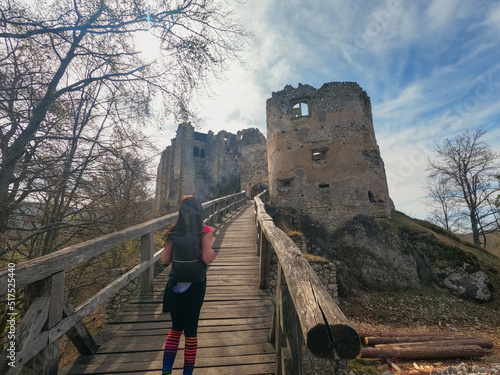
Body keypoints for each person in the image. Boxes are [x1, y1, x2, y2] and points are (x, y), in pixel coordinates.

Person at [161, 195, 216, 375]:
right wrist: (212, 253)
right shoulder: (204, 230)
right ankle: (187, 374)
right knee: (191, 332)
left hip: (175, 285)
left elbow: (164, 259)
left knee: (175, 329)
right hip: (195, 286)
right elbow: (207, 258)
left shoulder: (173, 231)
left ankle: (166, 371)